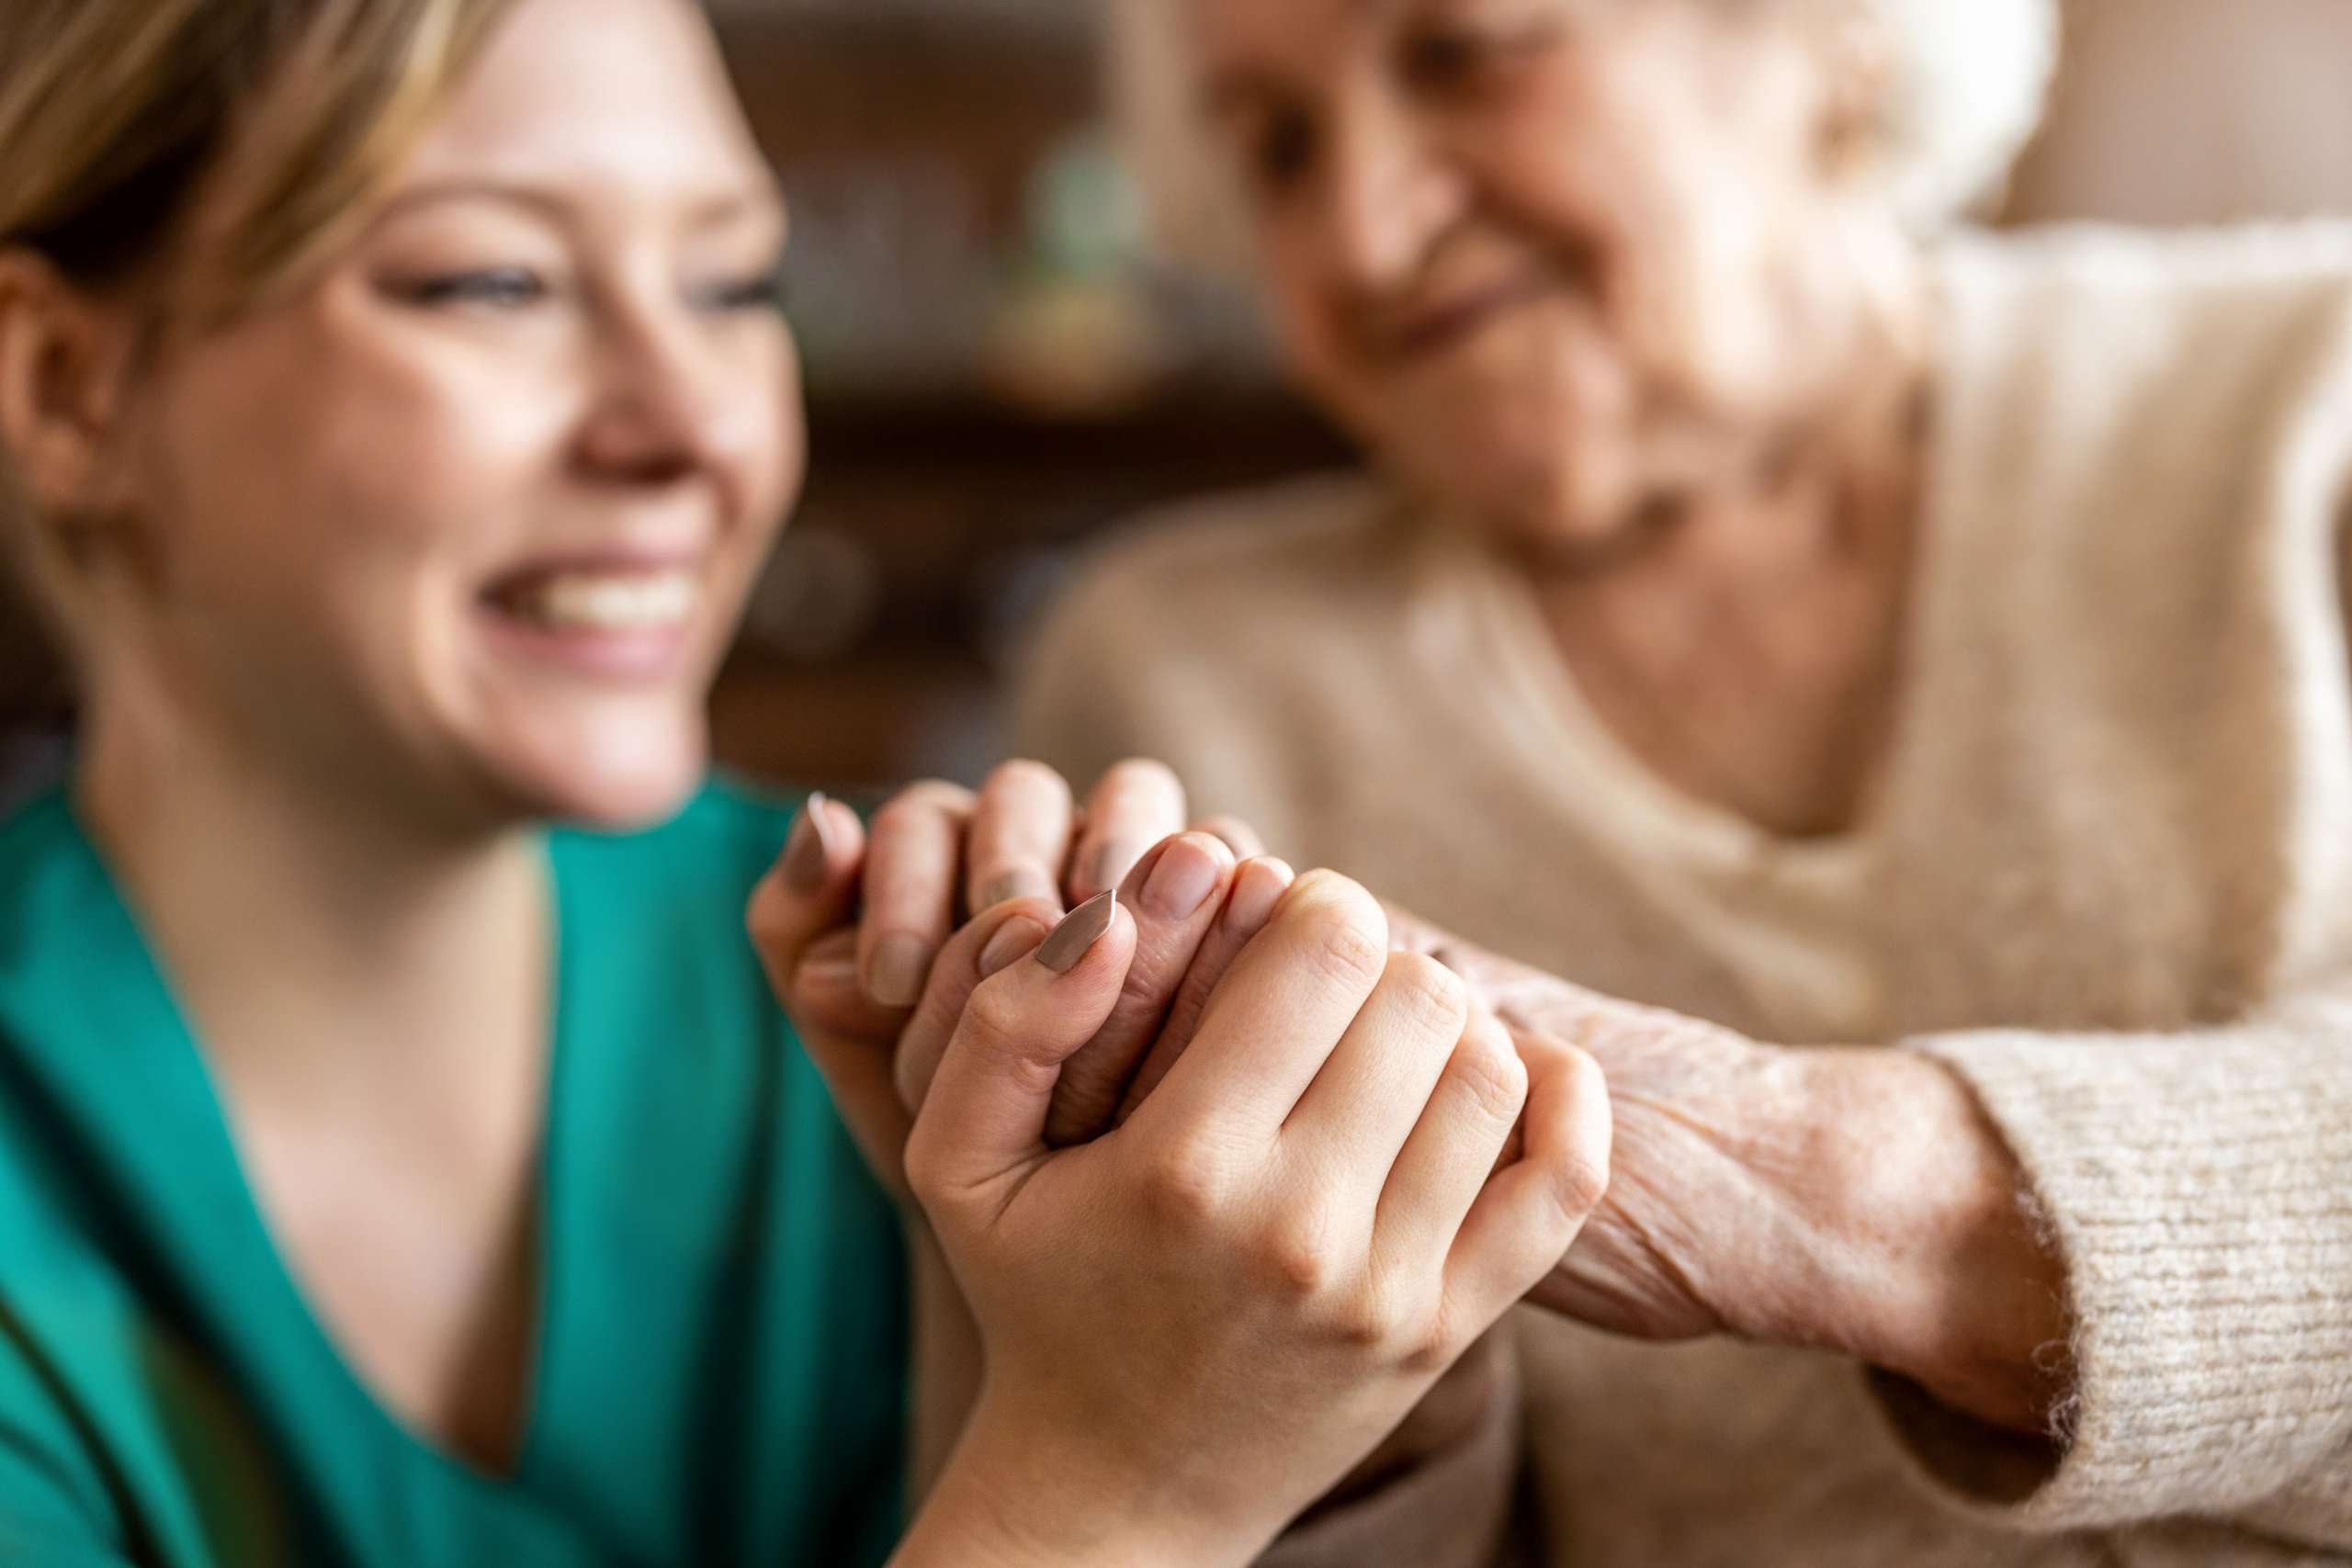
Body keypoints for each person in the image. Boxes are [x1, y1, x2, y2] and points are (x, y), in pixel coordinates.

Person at [0, 0, 1611, 1562]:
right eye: (494, 280)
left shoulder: (912, 1002)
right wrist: (1118, 1494)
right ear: (70, 387)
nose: (695, 422)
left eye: (733, 283)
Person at [1012, 0, 2352, 1561]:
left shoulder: (2307, 399)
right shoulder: (1191, 682)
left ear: (1828, 36)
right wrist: (1335, 1398)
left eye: (1464, 53)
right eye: (1277, 149)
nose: (1365, 233)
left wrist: (1802, 1179)